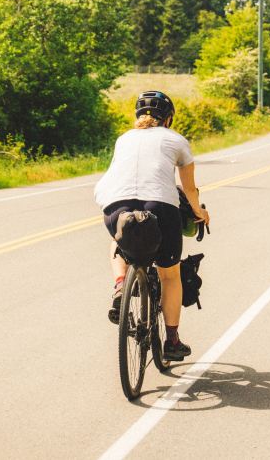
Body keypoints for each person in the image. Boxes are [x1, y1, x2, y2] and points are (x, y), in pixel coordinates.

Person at [94, 90, 209, 361]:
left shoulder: (124, 139)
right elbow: (189, 189)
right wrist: (200, 213)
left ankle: (121, 285)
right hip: (160, 206)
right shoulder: (176, 139)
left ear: (138, 117)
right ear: (168, 119)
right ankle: (171, 341)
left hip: (113, 205)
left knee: (117, 242)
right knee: (170, 275)